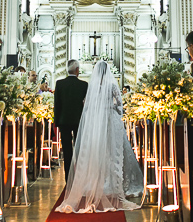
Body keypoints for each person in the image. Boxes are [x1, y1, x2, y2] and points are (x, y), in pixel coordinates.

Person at [57, 59, 143, 213]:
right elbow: (119, 105)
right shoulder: (108, 85)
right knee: (112, 151)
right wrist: (112, 108)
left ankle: (93, 180)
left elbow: (87, 105)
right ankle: (112, 181)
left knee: (96, 150)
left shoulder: (91, 87)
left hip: (95, 121)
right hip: (110, 120)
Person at [53, 59, 88, 182]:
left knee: (67, 151)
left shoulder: (60, 84)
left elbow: (56, 104)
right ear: (77, 70)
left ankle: (68, 179)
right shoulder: (83, 85)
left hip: (64, 121)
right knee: (79, 150)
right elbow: (86, 106)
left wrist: (56, 121)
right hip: (78, 121)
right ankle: (79, 177)